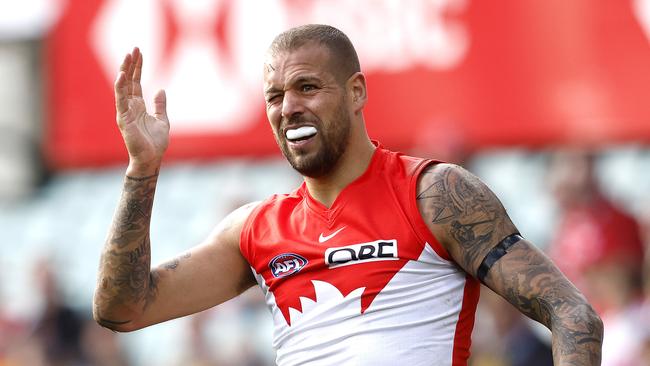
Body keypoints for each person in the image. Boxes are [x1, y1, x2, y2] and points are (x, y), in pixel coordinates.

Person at [93, 24, 603, 365]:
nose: (287, 107)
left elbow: (573, 315)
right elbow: (123, 310)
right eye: (274, 96)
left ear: (357, 92)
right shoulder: (253, 230)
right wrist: (142, 169)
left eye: (307, 88)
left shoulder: (434, 192)